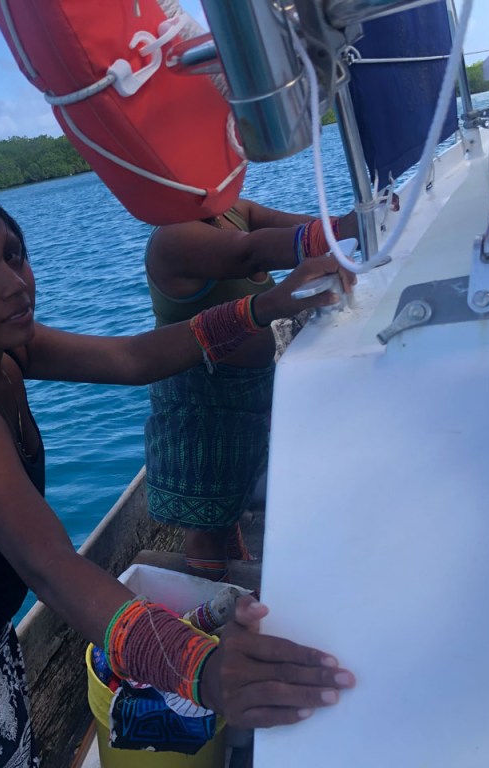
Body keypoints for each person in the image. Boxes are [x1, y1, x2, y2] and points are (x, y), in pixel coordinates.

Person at [0, 168, 357, 768]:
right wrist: (202, 669)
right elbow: (52, 568)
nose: (15, 283)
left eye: (14, 255)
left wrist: (263, 305)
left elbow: (131, 358)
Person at [144, 199, 360, 582]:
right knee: (206, 522)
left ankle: (235, 564)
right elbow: (250, 252)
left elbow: (296, 227)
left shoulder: (233, 211)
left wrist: (342, 227)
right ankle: (214, 596)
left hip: (246, 388)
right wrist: (343, 231)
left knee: (232, 490)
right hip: (200, 398)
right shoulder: (171, 238)